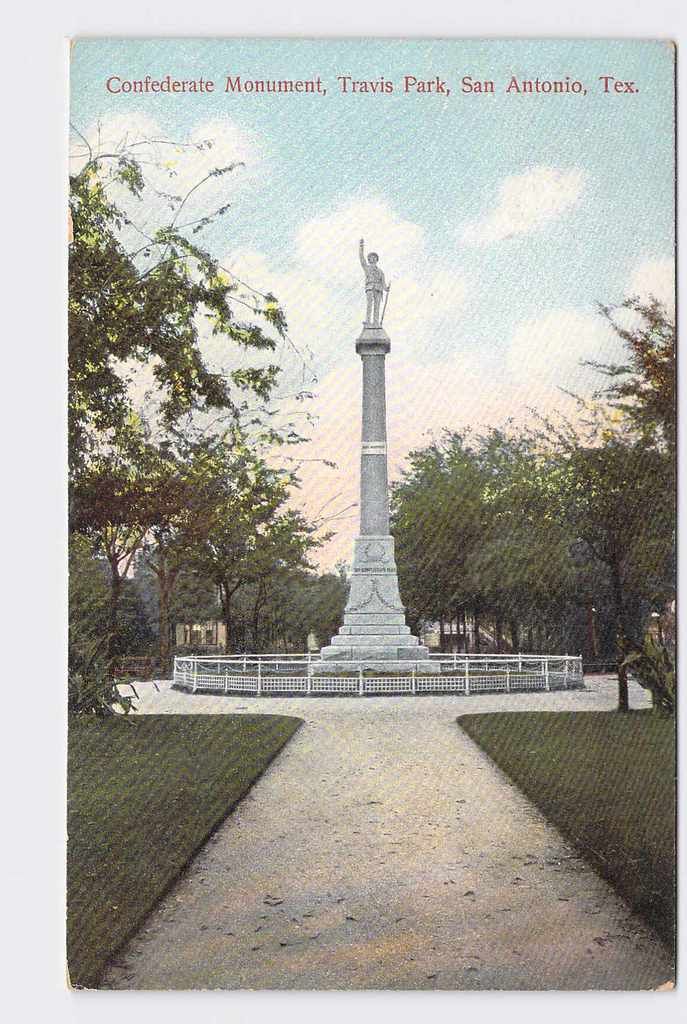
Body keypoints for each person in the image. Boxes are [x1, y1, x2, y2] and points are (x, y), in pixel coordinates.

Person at [359, 238, 390, 325]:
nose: (372, 258)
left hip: (378, 289)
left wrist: (386, 288)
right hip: (370, 287)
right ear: (369, 259)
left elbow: (383, 283)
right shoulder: (367, 268)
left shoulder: (380, 272)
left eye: (374, 257)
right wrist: (361, 247)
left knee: (377, 306)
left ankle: (376, 322)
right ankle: (368, 321)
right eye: (371, 257)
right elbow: (361, 259)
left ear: (376, 259)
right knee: (369, 305)